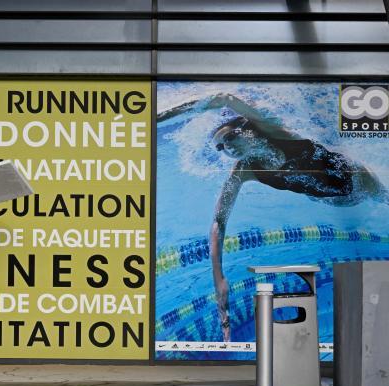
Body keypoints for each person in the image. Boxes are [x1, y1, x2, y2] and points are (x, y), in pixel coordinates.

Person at [158, 93, 387, 341]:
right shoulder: (245, 170)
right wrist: (219, 277)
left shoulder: (275, 130)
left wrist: (159, 117)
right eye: (220, 147)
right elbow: (218, 222)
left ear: (247, 128)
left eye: (229, 137)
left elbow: (221, 97)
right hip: (337, 200)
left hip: (358, 179)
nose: (227, 148)